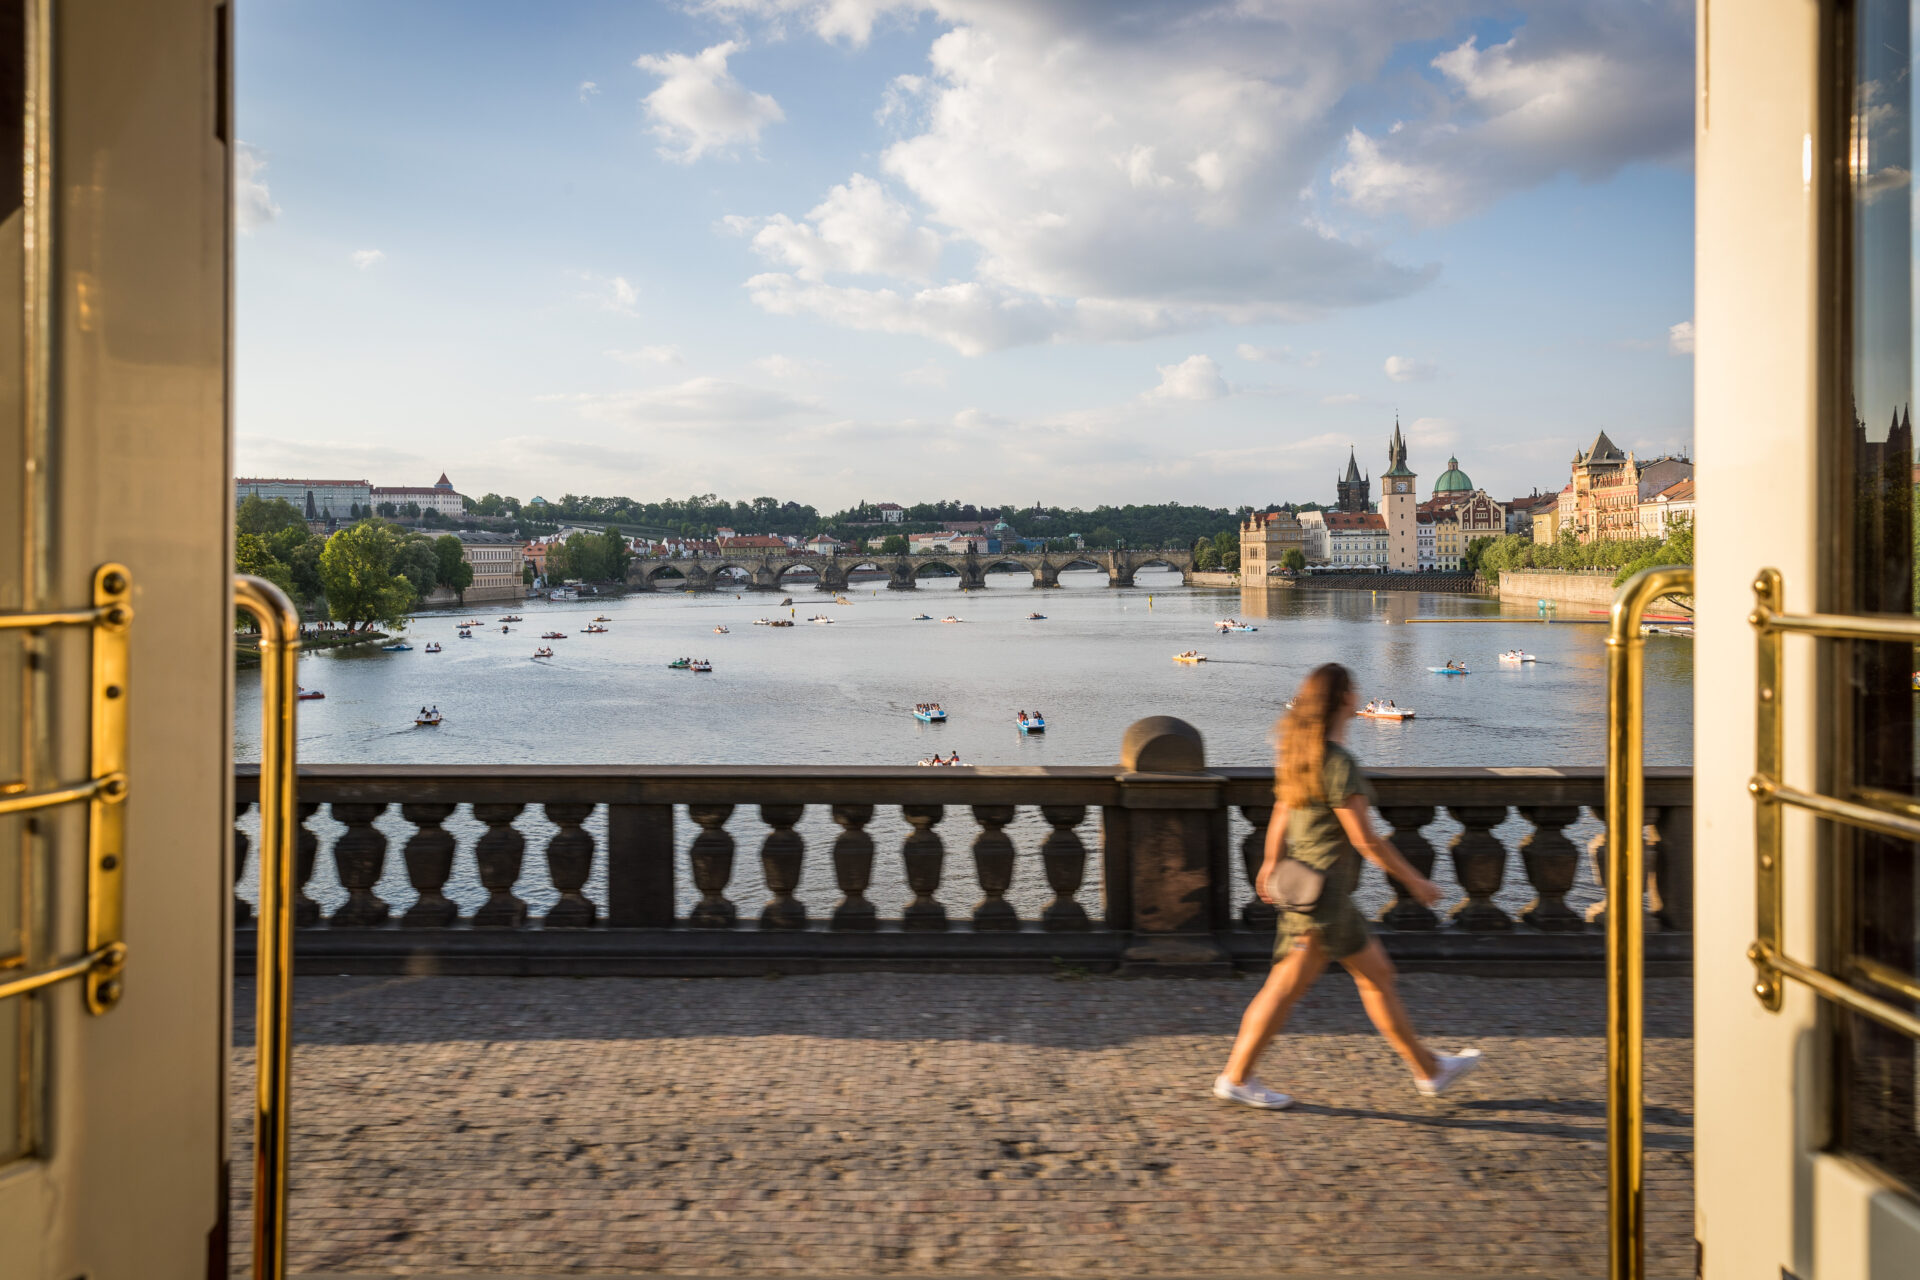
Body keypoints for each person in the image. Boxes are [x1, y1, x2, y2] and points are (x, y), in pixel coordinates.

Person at [1215, 662, 1480, 1109]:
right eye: (1353, 689)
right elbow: (1365, 839)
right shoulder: (1337, 763)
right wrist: (1415, 880)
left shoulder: (1301, 750)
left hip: (1314, 889)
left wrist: (1270, 862)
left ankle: (1430, 1069)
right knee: (1287, 989)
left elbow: (1281, 810)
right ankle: (1236, 1077)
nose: (1359, 695)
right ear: (1342, 700)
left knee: (1375, 977)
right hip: (1323, 899)